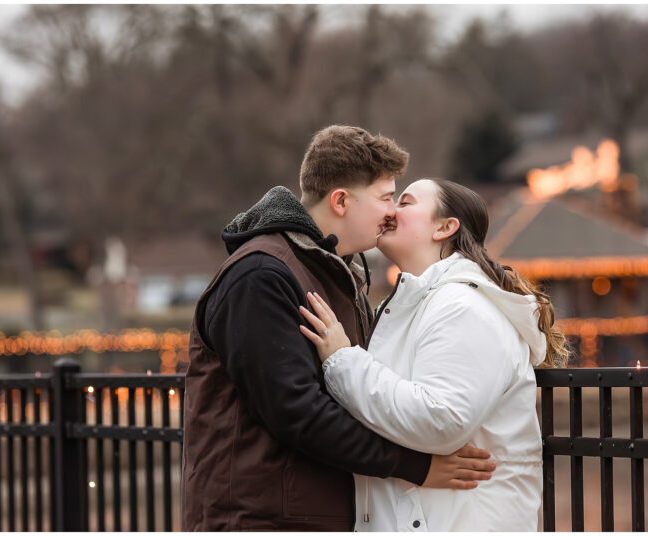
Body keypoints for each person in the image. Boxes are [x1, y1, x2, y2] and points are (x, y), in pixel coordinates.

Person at [182, 128, 496, 531]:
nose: (392, 212)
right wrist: (416, 467)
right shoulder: (260, 275)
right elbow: (297, 412)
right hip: (258, 519)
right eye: (385, 198)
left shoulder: (334, 274)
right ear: (342, 201)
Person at [299, 178, 571, 531]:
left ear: (445, 227)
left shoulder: (462, 307)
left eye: (406, 202)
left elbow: (442, 418)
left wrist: (343, 360)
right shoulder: (417, 306)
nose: (391, 210)